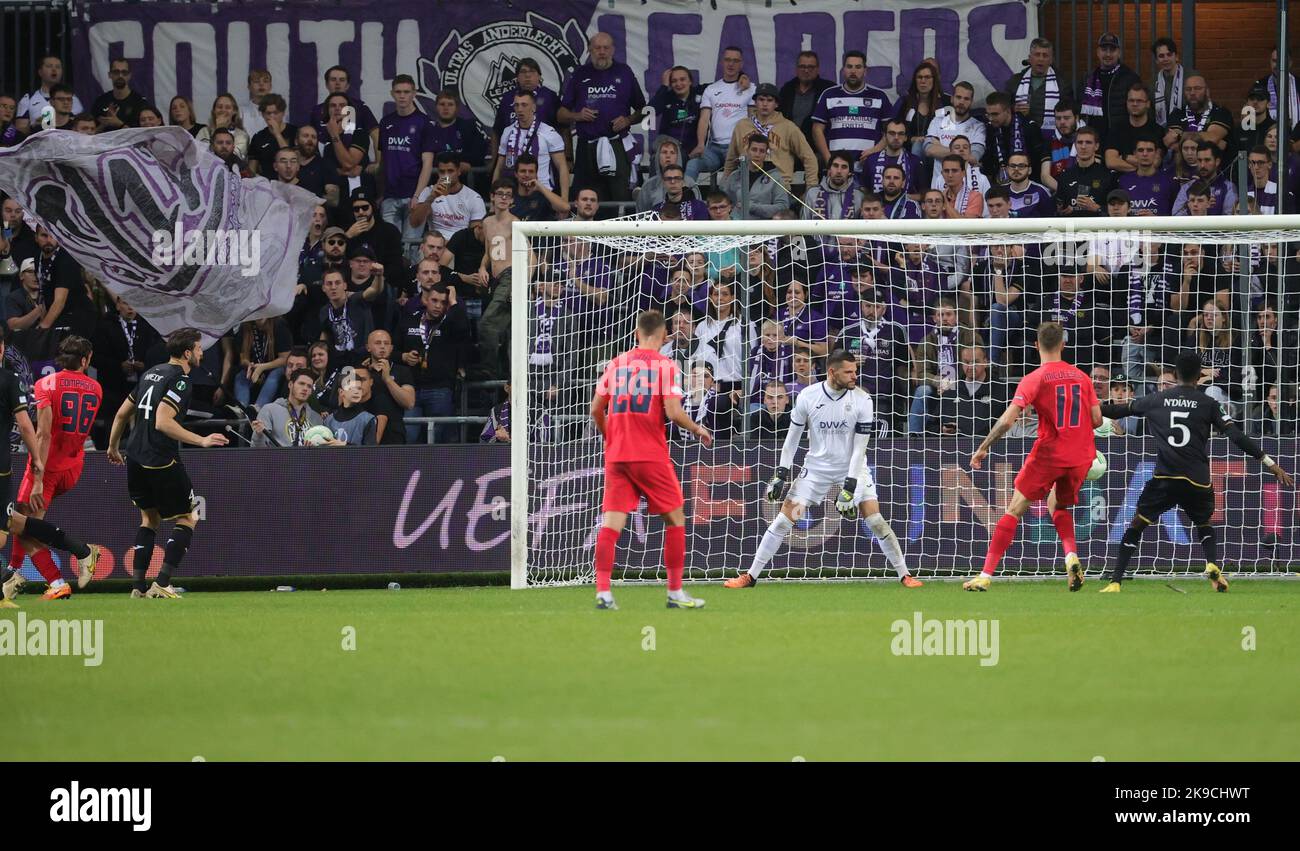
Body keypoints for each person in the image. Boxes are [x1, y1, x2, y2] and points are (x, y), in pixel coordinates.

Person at [1099, 351, 1294, 591]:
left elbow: (1118, 411)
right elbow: (1236, 436)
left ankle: (1116, 581)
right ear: (1199, 374)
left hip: (1166, 478)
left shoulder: (1156, 399)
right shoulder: (1208, 403)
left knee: (1138, 524)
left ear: (1177, 374)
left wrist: (1088, 408)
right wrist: (1269, 462)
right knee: (1204, 525)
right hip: (1197, 480)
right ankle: (1213, 567)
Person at [726, 349, 920, 589]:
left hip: (852, 468)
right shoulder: (808, 396)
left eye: (855, 371)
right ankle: (750, 576)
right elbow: (792, 439)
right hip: (816, 470)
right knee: (784, 521)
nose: (854, 376)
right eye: (848, 372)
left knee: (875, 520)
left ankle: (905, 575)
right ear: (832, 372)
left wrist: (849, 486)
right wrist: (781, 474)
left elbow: (860, 448)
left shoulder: (862, 399)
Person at [589, 309, 712, 610]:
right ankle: (675, 593)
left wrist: (612, 439)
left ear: (635, 334)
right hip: (649, 455)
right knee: (676, 518)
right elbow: (672, 412)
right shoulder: (666, 365)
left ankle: (603, 593)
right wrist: (697, 428)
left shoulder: (616, 363)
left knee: (611, 524)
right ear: (665, 336)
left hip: (618, 456)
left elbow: (595, 410)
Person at [965, 321, 1101, 592]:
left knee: (1014, 509)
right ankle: (1071, 556)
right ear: (1063, 344)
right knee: (1058, 506)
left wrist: (984, 446)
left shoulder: (1035, 378)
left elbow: (1007, 419)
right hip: (1081, 456)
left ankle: (985, 574)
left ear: (1036, 345)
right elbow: (1097, 420)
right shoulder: (1082, 377)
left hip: (1050, 453)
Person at [104, 327, 229, 598]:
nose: (201, 353)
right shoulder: (181, 380)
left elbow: (123, 413)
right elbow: (163, 421)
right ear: (187, 353)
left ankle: (137, 588)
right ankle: (162, 582)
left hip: (134, 456)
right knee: (189, 516)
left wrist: (113, 446)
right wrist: (202, 440)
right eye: (198, 348)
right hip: (160, 458)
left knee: (149, 519)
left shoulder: (151, 373)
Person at [0, 327, 102, 608]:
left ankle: (68, 566)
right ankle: (13, 575)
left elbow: (42, 434)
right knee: (24, 520)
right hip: (74, 465)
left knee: (20, 523)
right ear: (86, 360)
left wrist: (38, 476)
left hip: (47, 465)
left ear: (60, 358)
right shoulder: (96, 387)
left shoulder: (48, 385)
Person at [559, 32, 646, 202]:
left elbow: (645, 110)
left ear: (612, 50)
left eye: (606, 48)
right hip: (587, 147)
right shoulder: (580, 74)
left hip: (617, 145)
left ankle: (621, 229)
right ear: (590, 50)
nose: (602, 52)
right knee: (584, 197)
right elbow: (560, 114)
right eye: (597, 48)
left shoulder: (624, 72)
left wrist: (627, 120)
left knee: (621, 196)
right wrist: (578, 115)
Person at [723, 83, 817, 189]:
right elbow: (731, 159)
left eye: (769, 100)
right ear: (755, 102)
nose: (765, 104)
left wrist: (811, 188)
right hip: (747, 183)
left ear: (776, 104)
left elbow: (809, 157)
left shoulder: (788, 127)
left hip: (778, 185)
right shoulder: (742, 126)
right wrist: (724, 187)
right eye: (761, 99)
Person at [811, 51, 893, 172]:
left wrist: (874, 152)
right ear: (843, 69)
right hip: (836, 168)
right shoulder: (829, 94)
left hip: (869, 167)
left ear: (865, 70)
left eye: (858, 67)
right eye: (849, 66)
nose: (853, 71)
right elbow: (816, 129)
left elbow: (891, 131)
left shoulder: (879, 96)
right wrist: (828, 159)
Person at [685, 46, 754, 179]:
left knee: (738, 176)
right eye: (728, 60)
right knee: (693, 164)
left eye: (735, 60)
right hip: (714, 149)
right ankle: (687, 198)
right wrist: (700, 145)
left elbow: (753, 120)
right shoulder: (711, 89)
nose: (731, 64)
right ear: (722, 62)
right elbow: (704, 120)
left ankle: (737, 200)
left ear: (741, 64)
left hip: (737, 148)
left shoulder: (750, 89)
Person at [1077, 32, 1141, 144]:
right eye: (1104, 49)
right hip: (1093, 141)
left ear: (1119, 53)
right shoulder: (1087, 78)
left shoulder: (1130, 78)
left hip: (1122, 139)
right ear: (1097, 52)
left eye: (1112, 50)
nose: (1108, 54)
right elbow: (1079, 109)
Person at [1003, 38, 1061, 140]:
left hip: (1053, 139)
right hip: (1020, 137)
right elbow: (1003, 108)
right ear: (1030, 58)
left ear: (1051, 60)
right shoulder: (1015, 81)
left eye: (1045, 55)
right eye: (1037, 55)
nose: (1041, 59)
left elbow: (1069, 111)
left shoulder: (1062, 83)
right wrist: (1013, 109)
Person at [982, 91, 1044, 184]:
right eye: (988, 114)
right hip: (1001, 183)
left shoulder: (1029, 127)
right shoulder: (990, 128)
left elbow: (1037, 163)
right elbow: (989, 162)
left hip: (1028, 183)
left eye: (995, 114)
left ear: (1008, 111)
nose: (990, 118)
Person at [15, 54, 83, 135]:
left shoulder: (73, 99)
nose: (54, 69)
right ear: (40, 72)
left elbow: (80, 125)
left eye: (58, 67)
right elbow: (19, 129)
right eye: (49, 66)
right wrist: (34, 126)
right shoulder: (28, 98)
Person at [1103, 82, 1163, 174]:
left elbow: (1155, 163)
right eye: (1131, 100)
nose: (1134, 104)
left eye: (1139, 101)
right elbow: (1110, 162)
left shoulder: (1157, 131)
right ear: (1126, 103)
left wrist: (1124, 157)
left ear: (1148, 104)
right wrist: (1142, 168)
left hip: (1149, 182)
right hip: (1120, 182)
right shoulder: (1116, 129)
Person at [1053, 126, 1111, 216]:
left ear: (1096, 146)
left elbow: (1116, 210)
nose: (1083, 147)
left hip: (1098, 227)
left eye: (1088, 142)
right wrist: (1063, 210)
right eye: (1080, 142)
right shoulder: (1065, 176)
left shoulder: (1107, 176)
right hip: (1071, 227)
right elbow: (1059, 207)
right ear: (1075, 145)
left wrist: (1097, 208)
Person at [778, 51, 834, 141]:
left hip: (817, 148)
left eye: (811, 67)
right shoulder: (787, 89)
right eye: (802, 66)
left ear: (818, 69)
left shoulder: (828, 90)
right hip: (789, 146)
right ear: (796, 69)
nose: (806, 70)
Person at [802, 151, 863, 220]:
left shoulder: (858, 196)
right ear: (829, 169)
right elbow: (803, 225)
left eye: (844, 167)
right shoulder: (812, 193)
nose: (839, 171)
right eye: (835, 166)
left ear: (850, 173)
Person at [92, 58, 149, 131]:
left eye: (124, 72)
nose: (120, 76)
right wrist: (104, 124)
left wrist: (119, 124)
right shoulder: (100, 101)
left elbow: (142, 135)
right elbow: (91, 134)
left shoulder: (140, 102)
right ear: (110, 75)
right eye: (116, 72)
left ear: (129, 75)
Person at [1150, 37, 1185, 126]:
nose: (1166, 59)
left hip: (1187, 129)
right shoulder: (1153, 82)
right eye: (1161, 56)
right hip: (1161, 131)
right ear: (1156, 60)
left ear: (1176, 57)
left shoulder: (1190, 78)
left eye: (1169, 54)